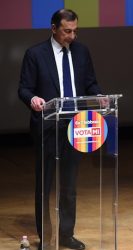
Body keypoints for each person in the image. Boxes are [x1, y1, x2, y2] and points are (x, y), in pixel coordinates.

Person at [18, 9, 102, 250]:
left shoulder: (82, 51)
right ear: (54, 29)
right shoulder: (35, 54)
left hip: (76, 126)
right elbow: (23, 88)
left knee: (69, 184)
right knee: (45, 184)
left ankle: (67, 234)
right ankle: (46, 237)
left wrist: (100, 97)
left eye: (75, 31)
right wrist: (33, 99)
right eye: (67, 31)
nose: (71, 36)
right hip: (47, 127)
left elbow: (91, 83)